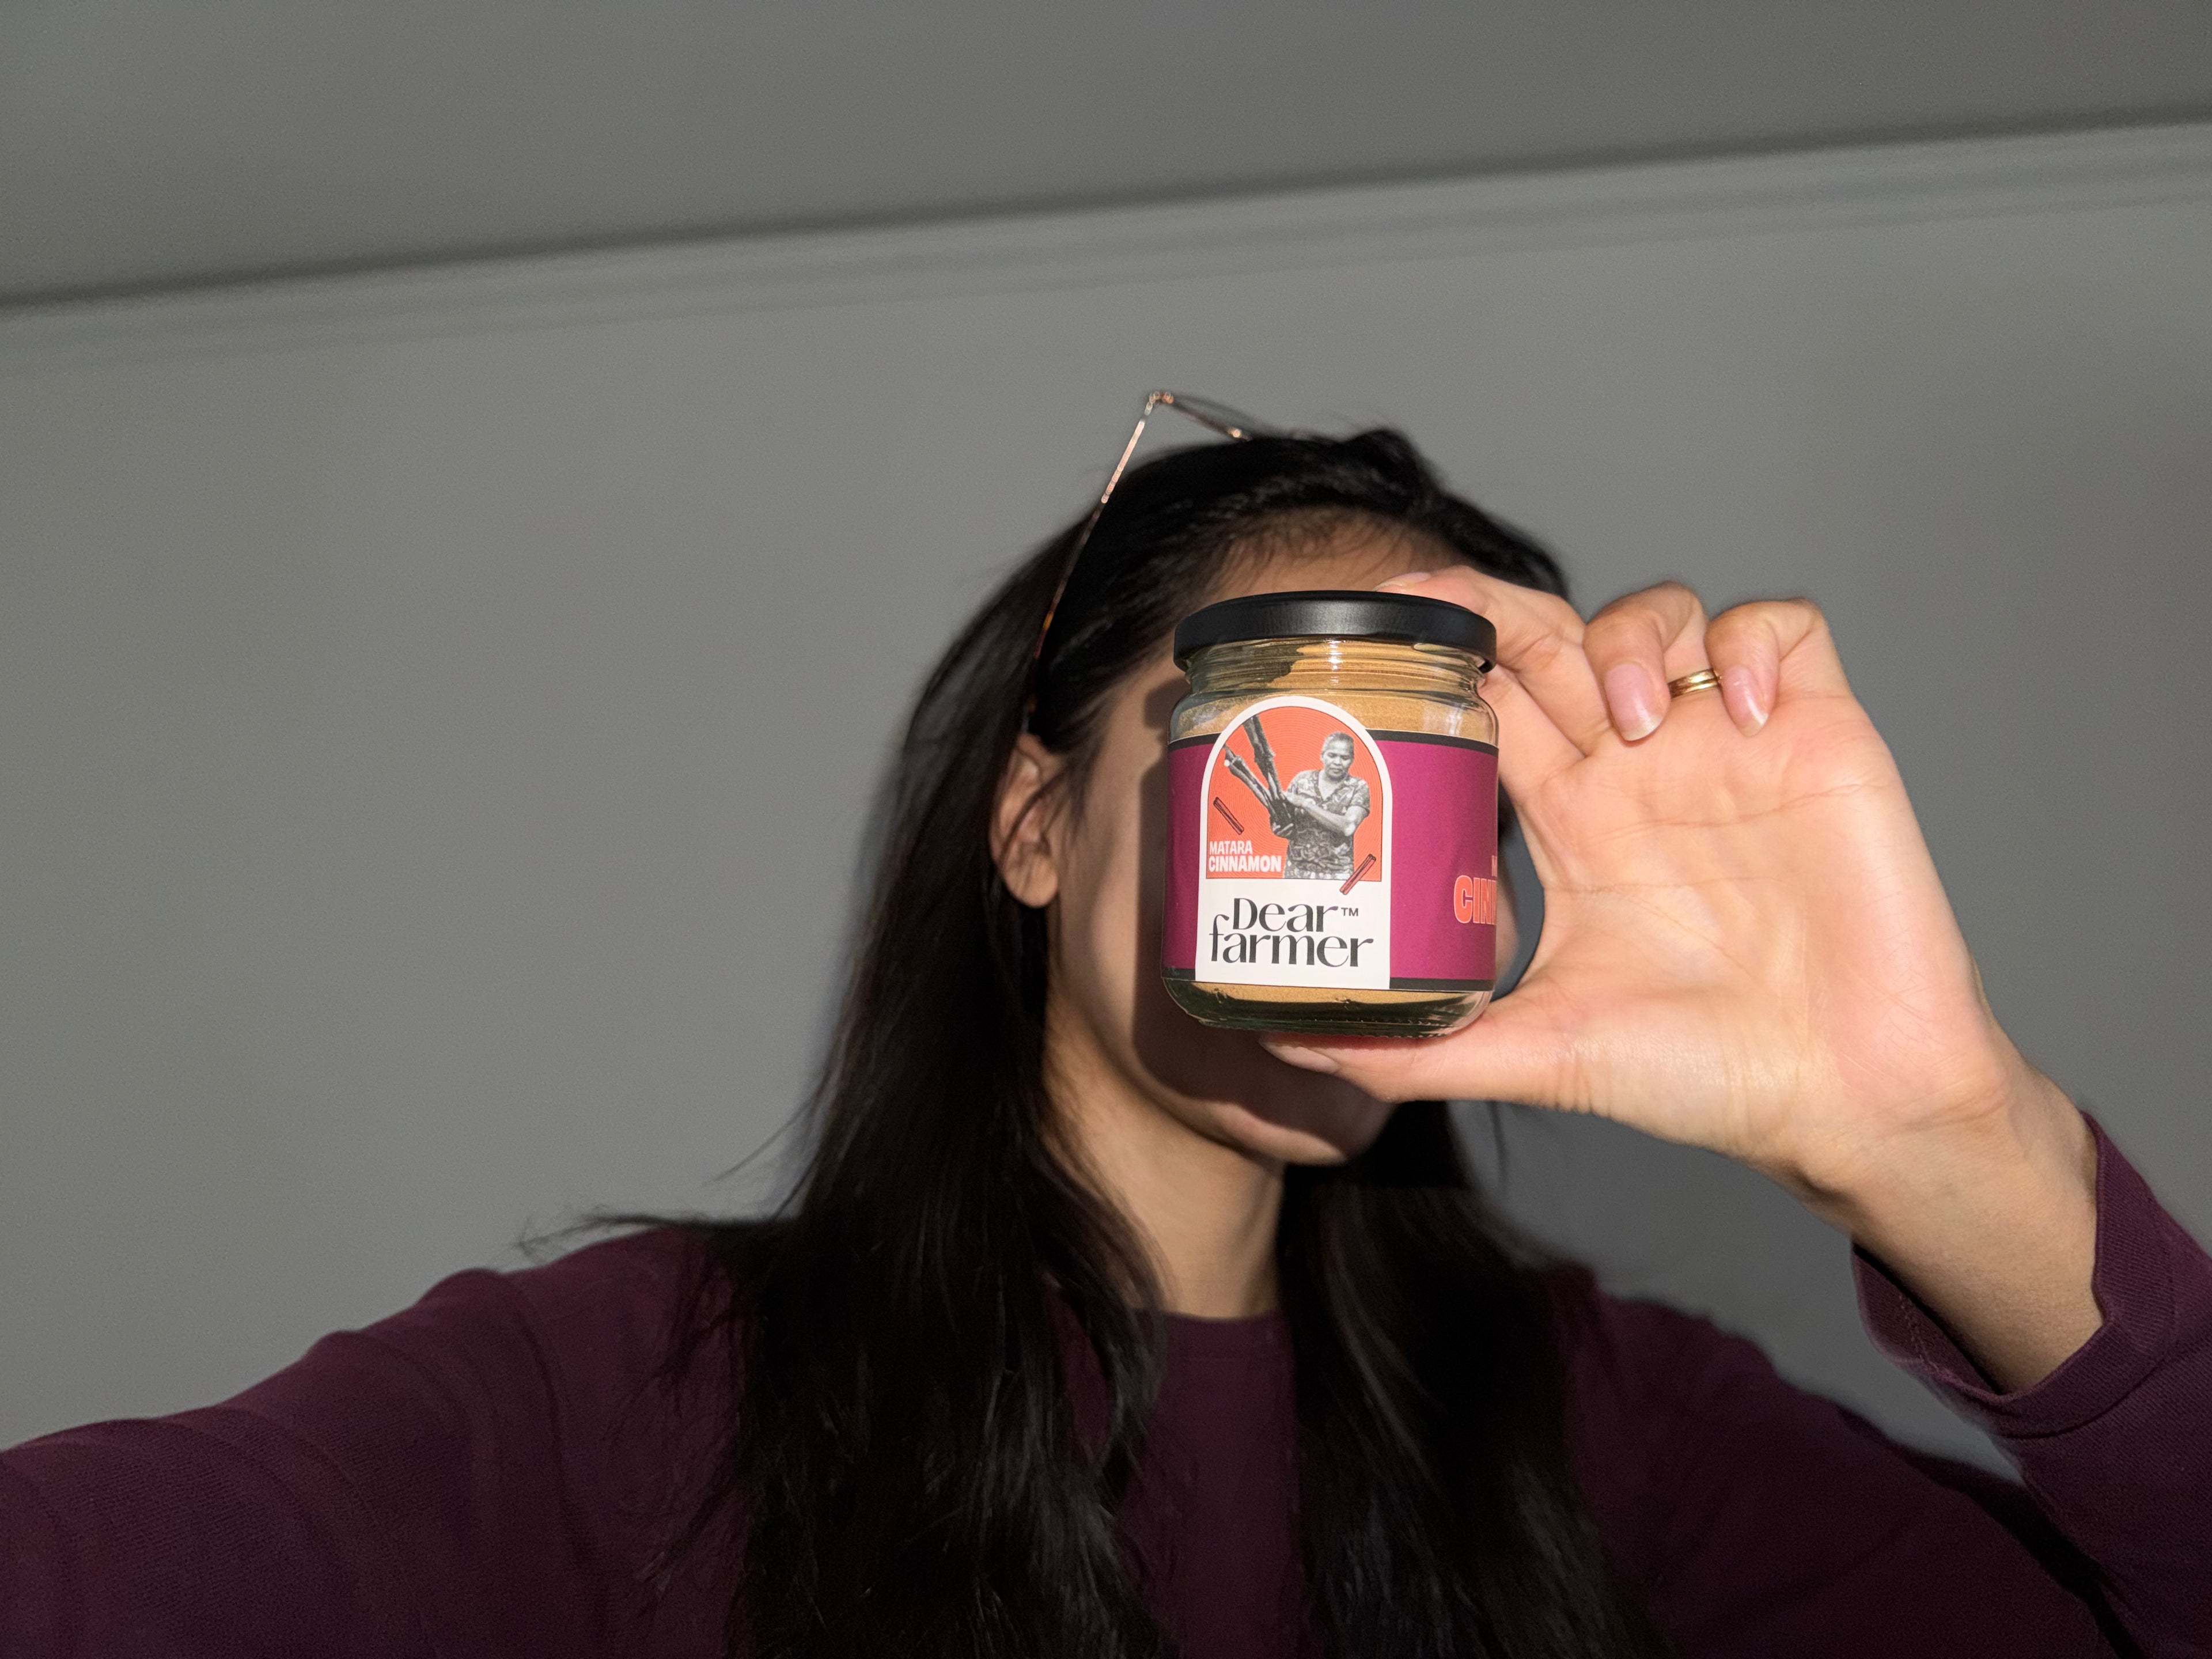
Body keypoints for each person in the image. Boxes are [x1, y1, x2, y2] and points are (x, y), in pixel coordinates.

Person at [3, 425, 2207, 1659]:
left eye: (1444, 756)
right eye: (1283, 722)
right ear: (1043, 819)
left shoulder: (1602, 1418)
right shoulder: (644, 1382)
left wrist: (1956, 1141)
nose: (1352, 809)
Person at [1282, 730, 1370, 881]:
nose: (1337, 762)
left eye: (1345, 758)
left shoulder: (1358, 787)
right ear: (1322, 755)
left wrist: (1305, 804)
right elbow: (1285, 822)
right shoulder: (1301, 780)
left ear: (1352, 760)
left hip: (1337, 875)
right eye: (1332, 755)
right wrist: (1279, 827)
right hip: (1296, 871)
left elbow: (1348, 827)